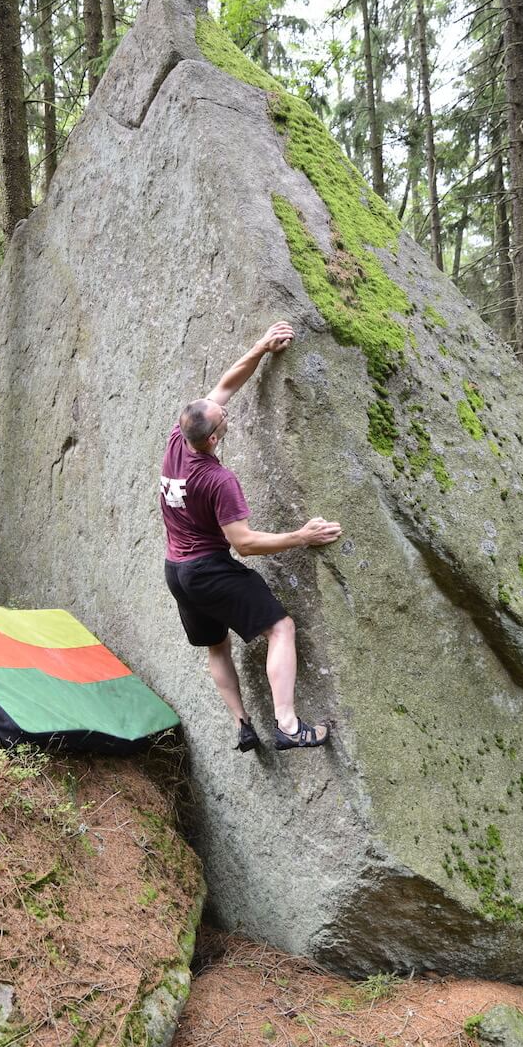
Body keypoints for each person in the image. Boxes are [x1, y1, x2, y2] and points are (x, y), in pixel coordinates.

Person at [160, 321, 342, 752]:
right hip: (207, 570)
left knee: (217, 646)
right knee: (281, 628)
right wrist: (301, 536)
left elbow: (225, 386)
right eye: (223, 418)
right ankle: (288, 725)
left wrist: (261, 347)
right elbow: (244, 543)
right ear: (213, 438)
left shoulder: (178, 438)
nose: (224, 410)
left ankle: (243, 725)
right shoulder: (218, 480)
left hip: (176, 571)